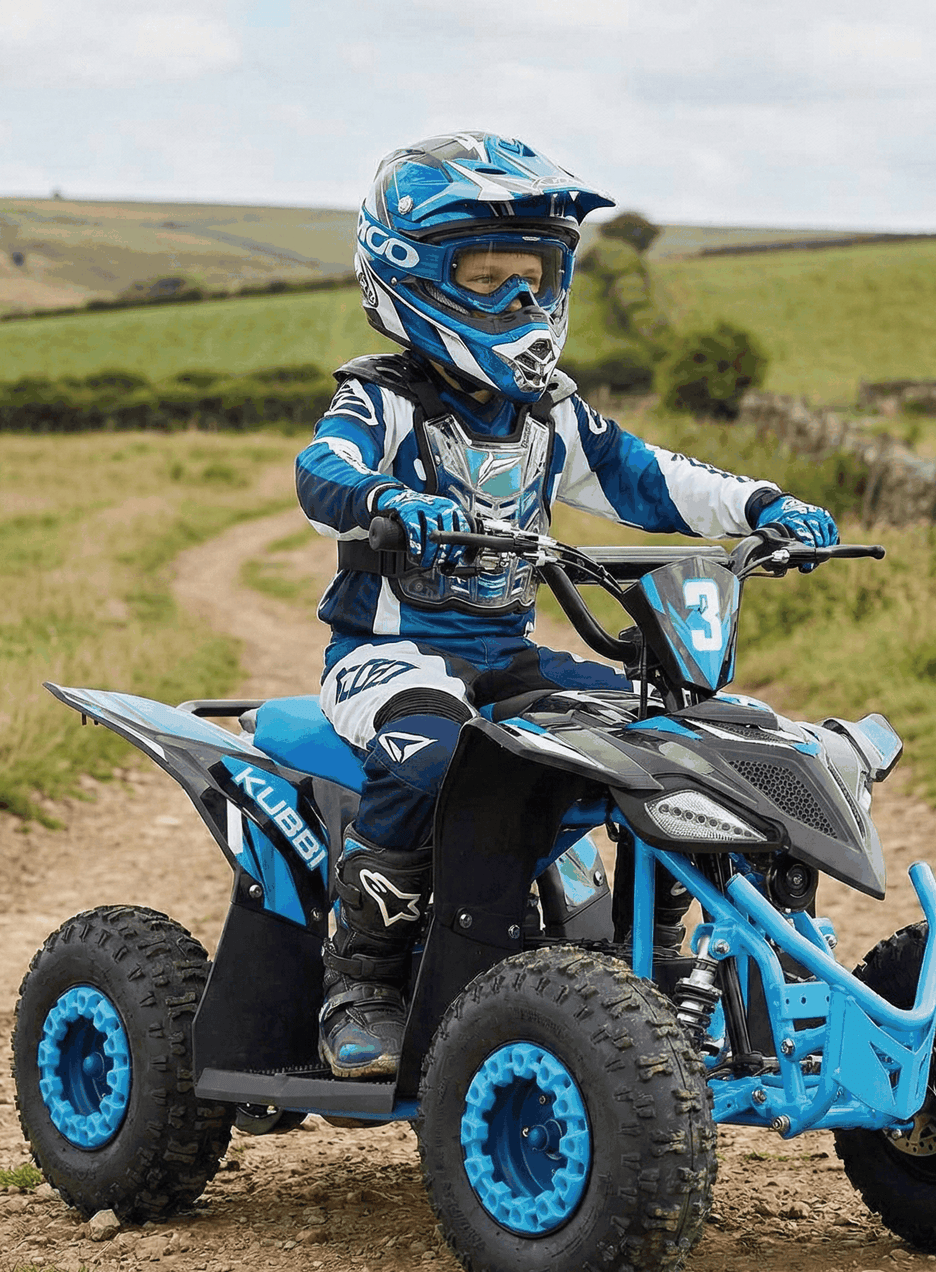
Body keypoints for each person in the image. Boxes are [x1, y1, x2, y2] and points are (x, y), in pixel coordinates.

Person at [295, 131, 838, 1079]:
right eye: (487, 275)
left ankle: (661, 976)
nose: (518, 302)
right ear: (408, 273)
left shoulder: (549, 413)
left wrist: (761, 504)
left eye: (535, 276)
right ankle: (364, 981)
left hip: (509, 659)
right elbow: (322, 470)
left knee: (666, 740)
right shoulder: (381, 400)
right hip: (392, 658)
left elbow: (650, 478)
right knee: (431, 755)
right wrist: (384, 499)